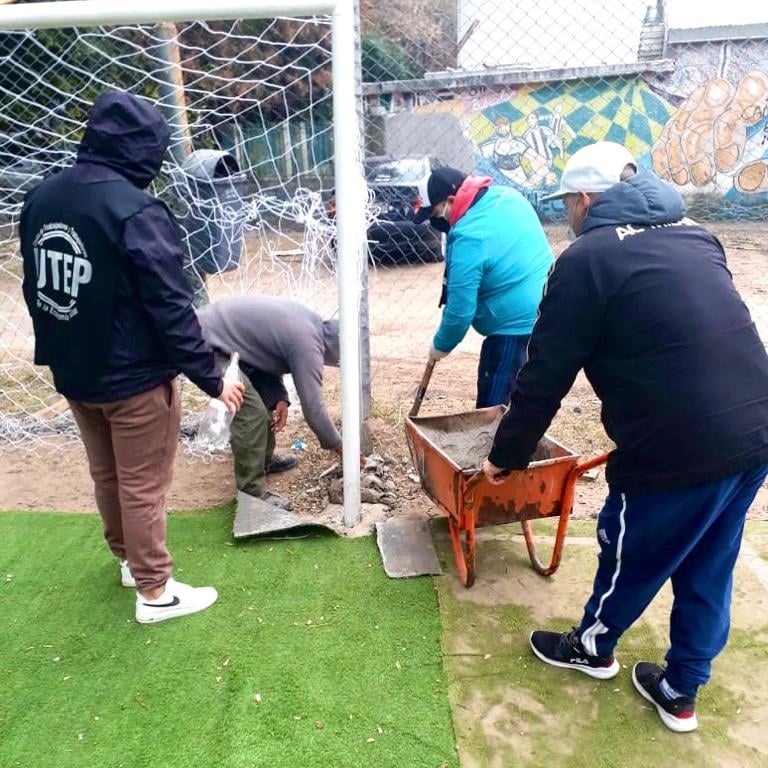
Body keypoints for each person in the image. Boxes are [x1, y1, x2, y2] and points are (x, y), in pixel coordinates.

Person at [482, 141, 768, 733]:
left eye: (566, 203)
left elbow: (544, 374)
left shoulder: (585, 260)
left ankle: (592, 647)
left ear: (585, 199)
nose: (566, 214)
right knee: (711, 559)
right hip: (755, 430)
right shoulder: (696, 234)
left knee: (629, 549)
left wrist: (505, 456)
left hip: (677, 446)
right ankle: (681, 689)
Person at [20, 91, 244, 624]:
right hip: (134, 379)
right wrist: (211, 379)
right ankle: (155, 592)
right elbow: (172, 306)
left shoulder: (42, 198)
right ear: (143, 149)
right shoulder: (135, 210)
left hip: (75, 372)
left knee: (108, 475)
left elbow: (36, 287)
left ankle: (127, 561)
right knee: (144, 483)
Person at [415, 166, 552, 408]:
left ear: (451, 201)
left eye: (435, 212)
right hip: (546, 314)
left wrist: (439, 346)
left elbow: (459, 312)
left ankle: (496, 433)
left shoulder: (469, 236)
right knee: (525, 402)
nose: (435, 221)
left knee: (494, 408)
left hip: (513, 329)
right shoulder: (507, 196)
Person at [197, 296, 347, 509]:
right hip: (205, 344)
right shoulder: (309, 345)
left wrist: (279, 397)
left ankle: (262, 462)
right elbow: (314, 409)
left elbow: (263, 352)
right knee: (252, 414)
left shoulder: (310, 326)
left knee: (267, 406)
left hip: (227, 344)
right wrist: (340, 447)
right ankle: (252, 495)